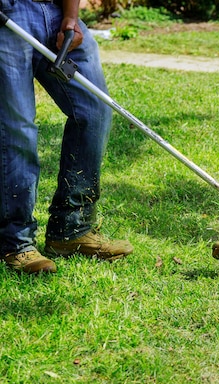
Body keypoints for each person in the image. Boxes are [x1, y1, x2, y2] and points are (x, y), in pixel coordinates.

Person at [0, 0, 132, 274]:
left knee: (93, 108)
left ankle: (71, 230)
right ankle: (14, 241)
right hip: (8, 12)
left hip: (57, 10)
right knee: (17, 127)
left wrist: (71, 17)